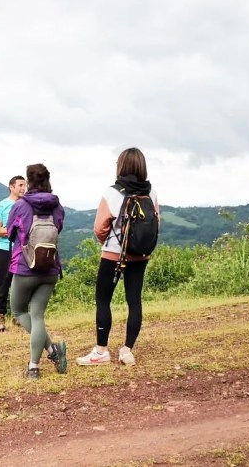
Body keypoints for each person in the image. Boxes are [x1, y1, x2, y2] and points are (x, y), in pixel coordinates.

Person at [77, 148, 159, 366]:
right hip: (140, 255)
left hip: (114, 254)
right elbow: (156, 223)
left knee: (103, 300)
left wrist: (109, 243)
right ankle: (127, 350)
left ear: (121, 166)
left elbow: (99, 227)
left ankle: (101, 352)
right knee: (134, 300)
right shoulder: (150, 193)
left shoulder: (113, 192)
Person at [5, 164, 67, 379]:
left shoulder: (20, 206)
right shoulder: (57, 206)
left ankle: (44, 358)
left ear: (29, 182)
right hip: (50, 268)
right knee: (38, 315)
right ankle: (38, 363)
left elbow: (11, 234)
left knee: (20, 311)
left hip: (24, 268)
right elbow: (58, 229)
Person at [0, 175, 27, 331]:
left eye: (25, 185)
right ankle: (0, 320)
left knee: (21, 285)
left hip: (23, 250)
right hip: (6, 251)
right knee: (3, 284)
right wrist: (14, 230)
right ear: (11, 187)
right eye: (20, 185)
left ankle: (18, 318)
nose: (23, 188)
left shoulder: (27, 206)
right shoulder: (1, 206)